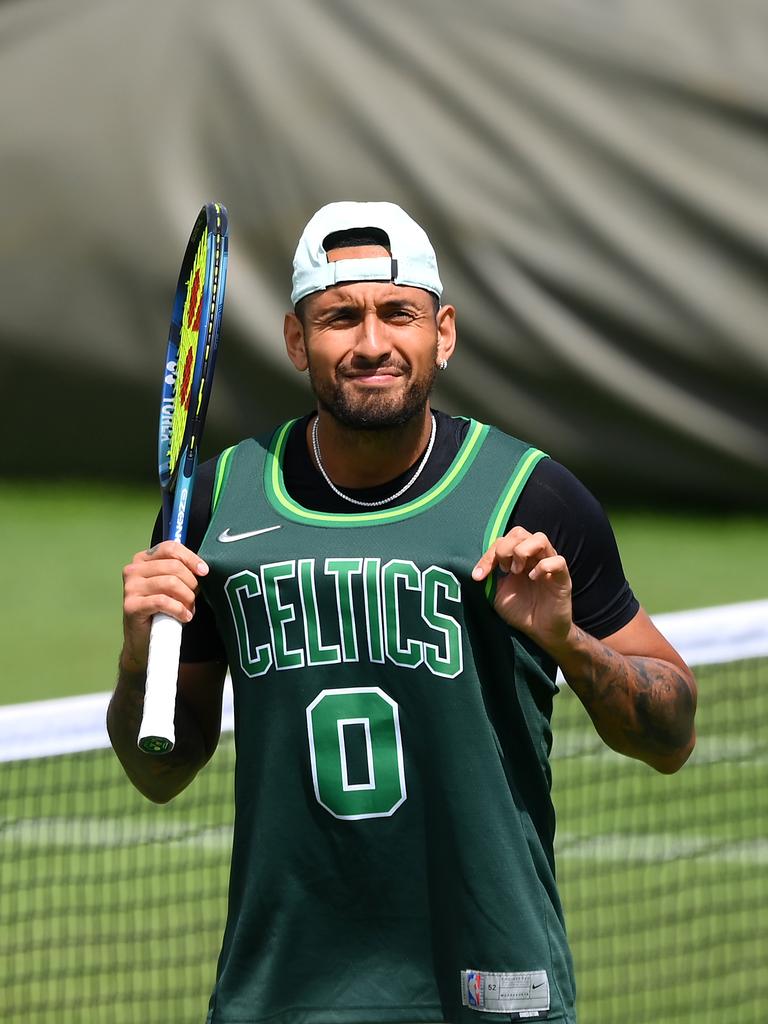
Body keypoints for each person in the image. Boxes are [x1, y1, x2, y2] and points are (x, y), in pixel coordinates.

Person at [108, 201, 697, 1024]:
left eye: (399, 314)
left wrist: (568, 643)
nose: (373, 343)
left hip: (492, 984)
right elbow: (158, 770)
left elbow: (671, 739)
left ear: (443, 333)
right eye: (339, 317)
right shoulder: (216, 502)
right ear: (294, 339)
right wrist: (141, 656)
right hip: (284, 993)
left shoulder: (531, 496)